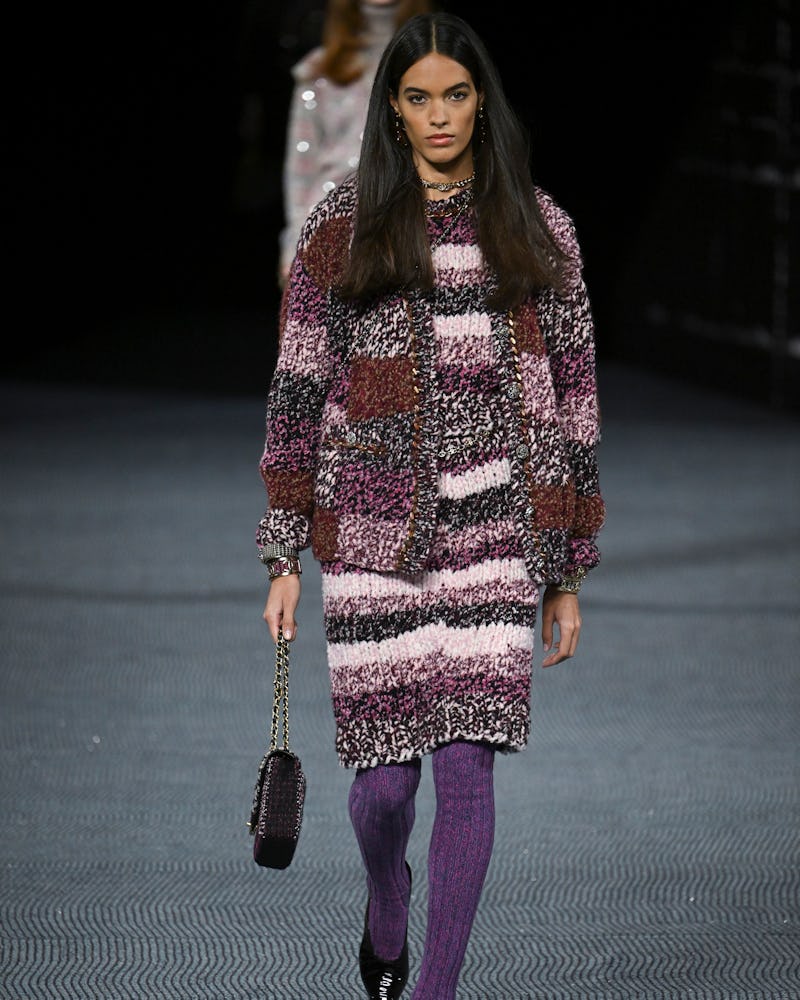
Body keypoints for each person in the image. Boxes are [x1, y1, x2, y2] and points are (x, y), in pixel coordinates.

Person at [256, 11, 606, 999]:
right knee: (382, 788)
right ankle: (384, 895)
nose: (439, 114)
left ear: (479, 101)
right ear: (392, 109)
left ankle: (435, 990)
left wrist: (565, 574)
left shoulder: (539, 231)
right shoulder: (344, 223)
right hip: (370, 533)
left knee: (465, 768)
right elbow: (295, 388)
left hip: (494, 534)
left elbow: (573, 405)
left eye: (456, 94)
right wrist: (284, 549)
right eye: (418, 96)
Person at [278, 0, 432, 286]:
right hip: (331, 229)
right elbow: (301, 166)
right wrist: (294, 245)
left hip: (412, 226)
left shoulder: (435, 67)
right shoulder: (321, 71)